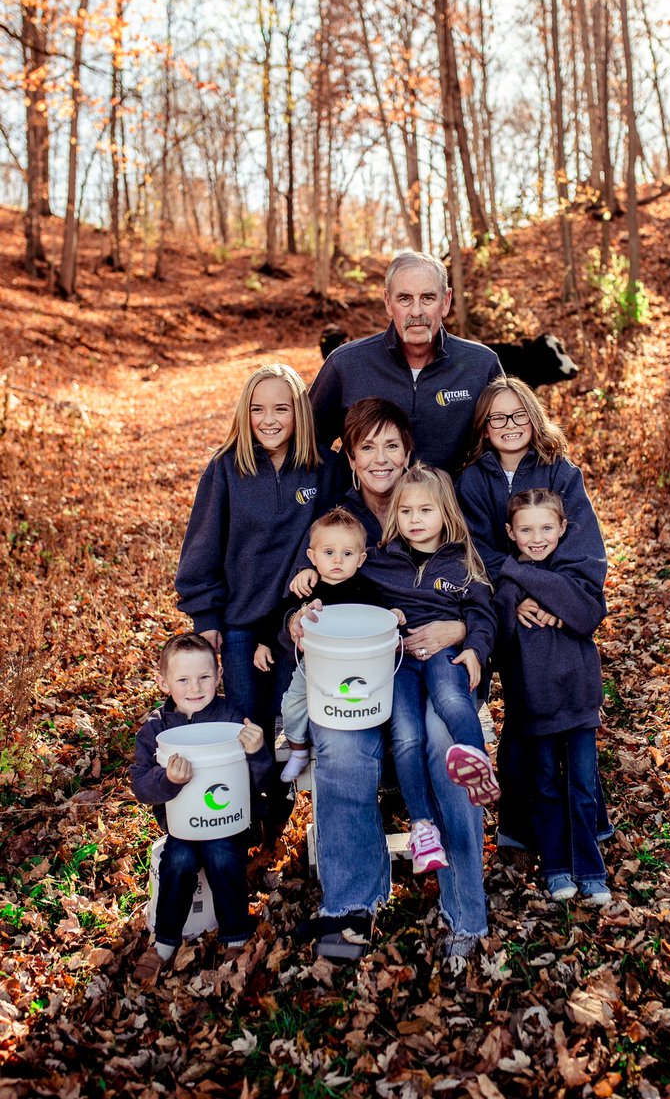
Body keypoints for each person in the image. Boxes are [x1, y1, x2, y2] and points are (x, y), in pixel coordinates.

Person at [289, 398, 489, 964]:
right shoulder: (340, 519)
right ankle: (352, 904)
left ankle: (464, 909)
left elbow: (482, 590)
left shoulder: (439, 507)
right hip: (362, 678)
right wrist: (297, 621)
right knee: (343, 745)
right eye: (366, 448)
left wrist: (461, 631)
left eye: (391, 446)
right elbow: (307, 590)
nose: (380, 459)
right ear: (350, 458)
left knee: (445, 745)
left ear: (409, 453)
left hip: (438, 672)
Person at [457, 376, 613, 850]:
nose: (509, 426)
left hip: (559, 616)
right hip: (507, 612)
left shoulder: (561, 473)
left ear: (534, 416)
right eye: (497, 418)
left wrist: (545, 596)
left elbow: (582, 550)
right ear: (483, 427)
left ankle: (587, 824)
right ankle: (521, 828)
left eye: (518, 415)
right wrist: (516, 596)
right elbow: (475, 552)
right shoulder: (472, 480)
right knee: (524, 716)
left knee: (568, 721)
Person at [174, 363, 338, 730]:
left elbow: (339, 529)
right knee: (247, 723)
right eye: (257, 409)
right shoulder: (226, 469)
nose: (269, 420)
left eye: (281, 409)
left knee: (287, 719)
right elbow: (202, 547)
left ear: (300, 412)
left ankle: (284, 790)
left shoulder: (326, 467)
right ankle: (250, 789)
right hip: (239, 623)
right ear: (244, 413)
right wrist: (206, 616)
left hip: (295, 620)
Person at [367, 464, 498, 874]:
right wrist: (308, 574)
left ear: (445, 513)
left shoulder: (462, 560)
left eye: (425, 511)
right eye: (406, 511)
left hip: (445, 654)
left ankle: (478, 766)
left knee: (450, 697)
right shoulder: (380, 561)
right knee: (406, 737)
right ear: (395, 516)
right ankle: (422, 826)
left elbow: (483, 613)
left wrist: (475, 650)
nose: (415, 520)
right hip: (400, 662)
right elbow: (343, 581)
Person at [131, 633, 273, 981]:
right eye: (182, 679)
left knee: (224, 856)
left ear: (219, 675)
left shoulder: (230, 718)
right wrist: (168, 780)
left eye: (204, 677)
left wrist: (256, 751)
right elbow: (141, 784)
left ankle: (236, 934)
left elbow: (262, 780)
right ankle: (164, 941)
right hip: (183, 824)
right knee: (178, 860)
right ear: (163, 682)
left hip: (227, 821)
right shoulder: (156, 729)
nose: (195, 687)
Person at [493, 490, 611, 905]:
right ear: (510, 532)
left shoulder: (574, 575)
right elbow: (500, 638)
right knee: (543, 786)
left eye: (546, 528)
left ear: (563, 528)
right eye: (526, 529)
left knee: (581, 788)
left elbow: (588, 612)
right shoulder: (507, 586)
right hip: (534, 705)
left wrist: (523, 575)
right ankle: (557, 867)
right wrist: (520, 593)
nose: (537, 537)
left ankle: (590, 870)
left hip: (579, 703)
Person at [309, 250, 503, 474]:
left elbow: (507, 449)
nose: (416, 311)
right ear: (388, 303)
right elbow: (306, 445)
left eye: (428, 298)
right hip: (365, 508)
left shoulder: (481, 365)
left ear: (446, 301)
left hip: (452, 507)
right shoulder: (345, 364)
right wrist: (336, 489)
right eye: (404, 299)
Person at [252, 507, 404, 783]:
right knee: (292, 703)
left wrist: (395, 617)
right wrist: (264, 644)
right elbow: (279, 613)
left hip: (358, 668)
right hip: (314, 666)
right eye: (328, 552)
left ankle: (385, 757)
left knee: (375, 702)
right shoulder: (308, 591)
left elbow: (383, 614)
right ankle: (298, 748)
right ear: (312, 557)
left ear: (361, 559)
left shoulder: (365, 590)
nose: (337, 560)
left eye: (347, 554)